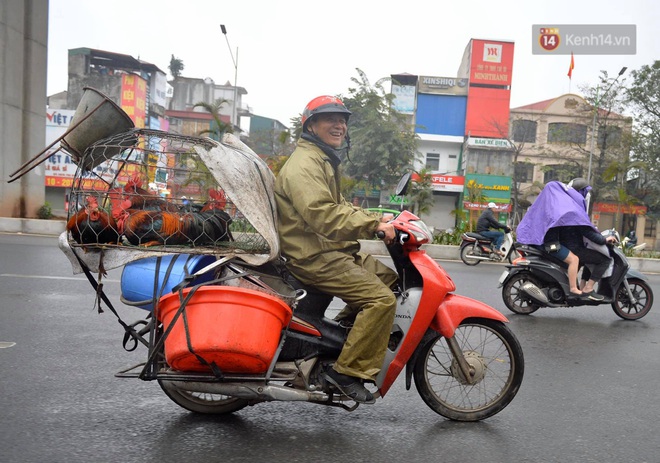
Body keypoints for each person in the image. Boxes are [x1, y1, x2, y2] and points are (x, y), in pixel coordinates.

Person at [274, 95, 397, 404]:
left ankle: (341, 341)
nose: (339, 124)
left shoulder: (321, 158)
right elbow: (323, 214)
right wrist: (373, 227)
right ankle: (345, 372)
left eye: (342, 119)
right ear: (311, 125)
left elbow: (337, 206)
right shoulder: (305, 164)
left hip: (331, 249)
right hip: (314, 256)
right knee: (380, 301)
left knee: (390, 282)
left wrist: (375, 217)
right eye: (330, 118)